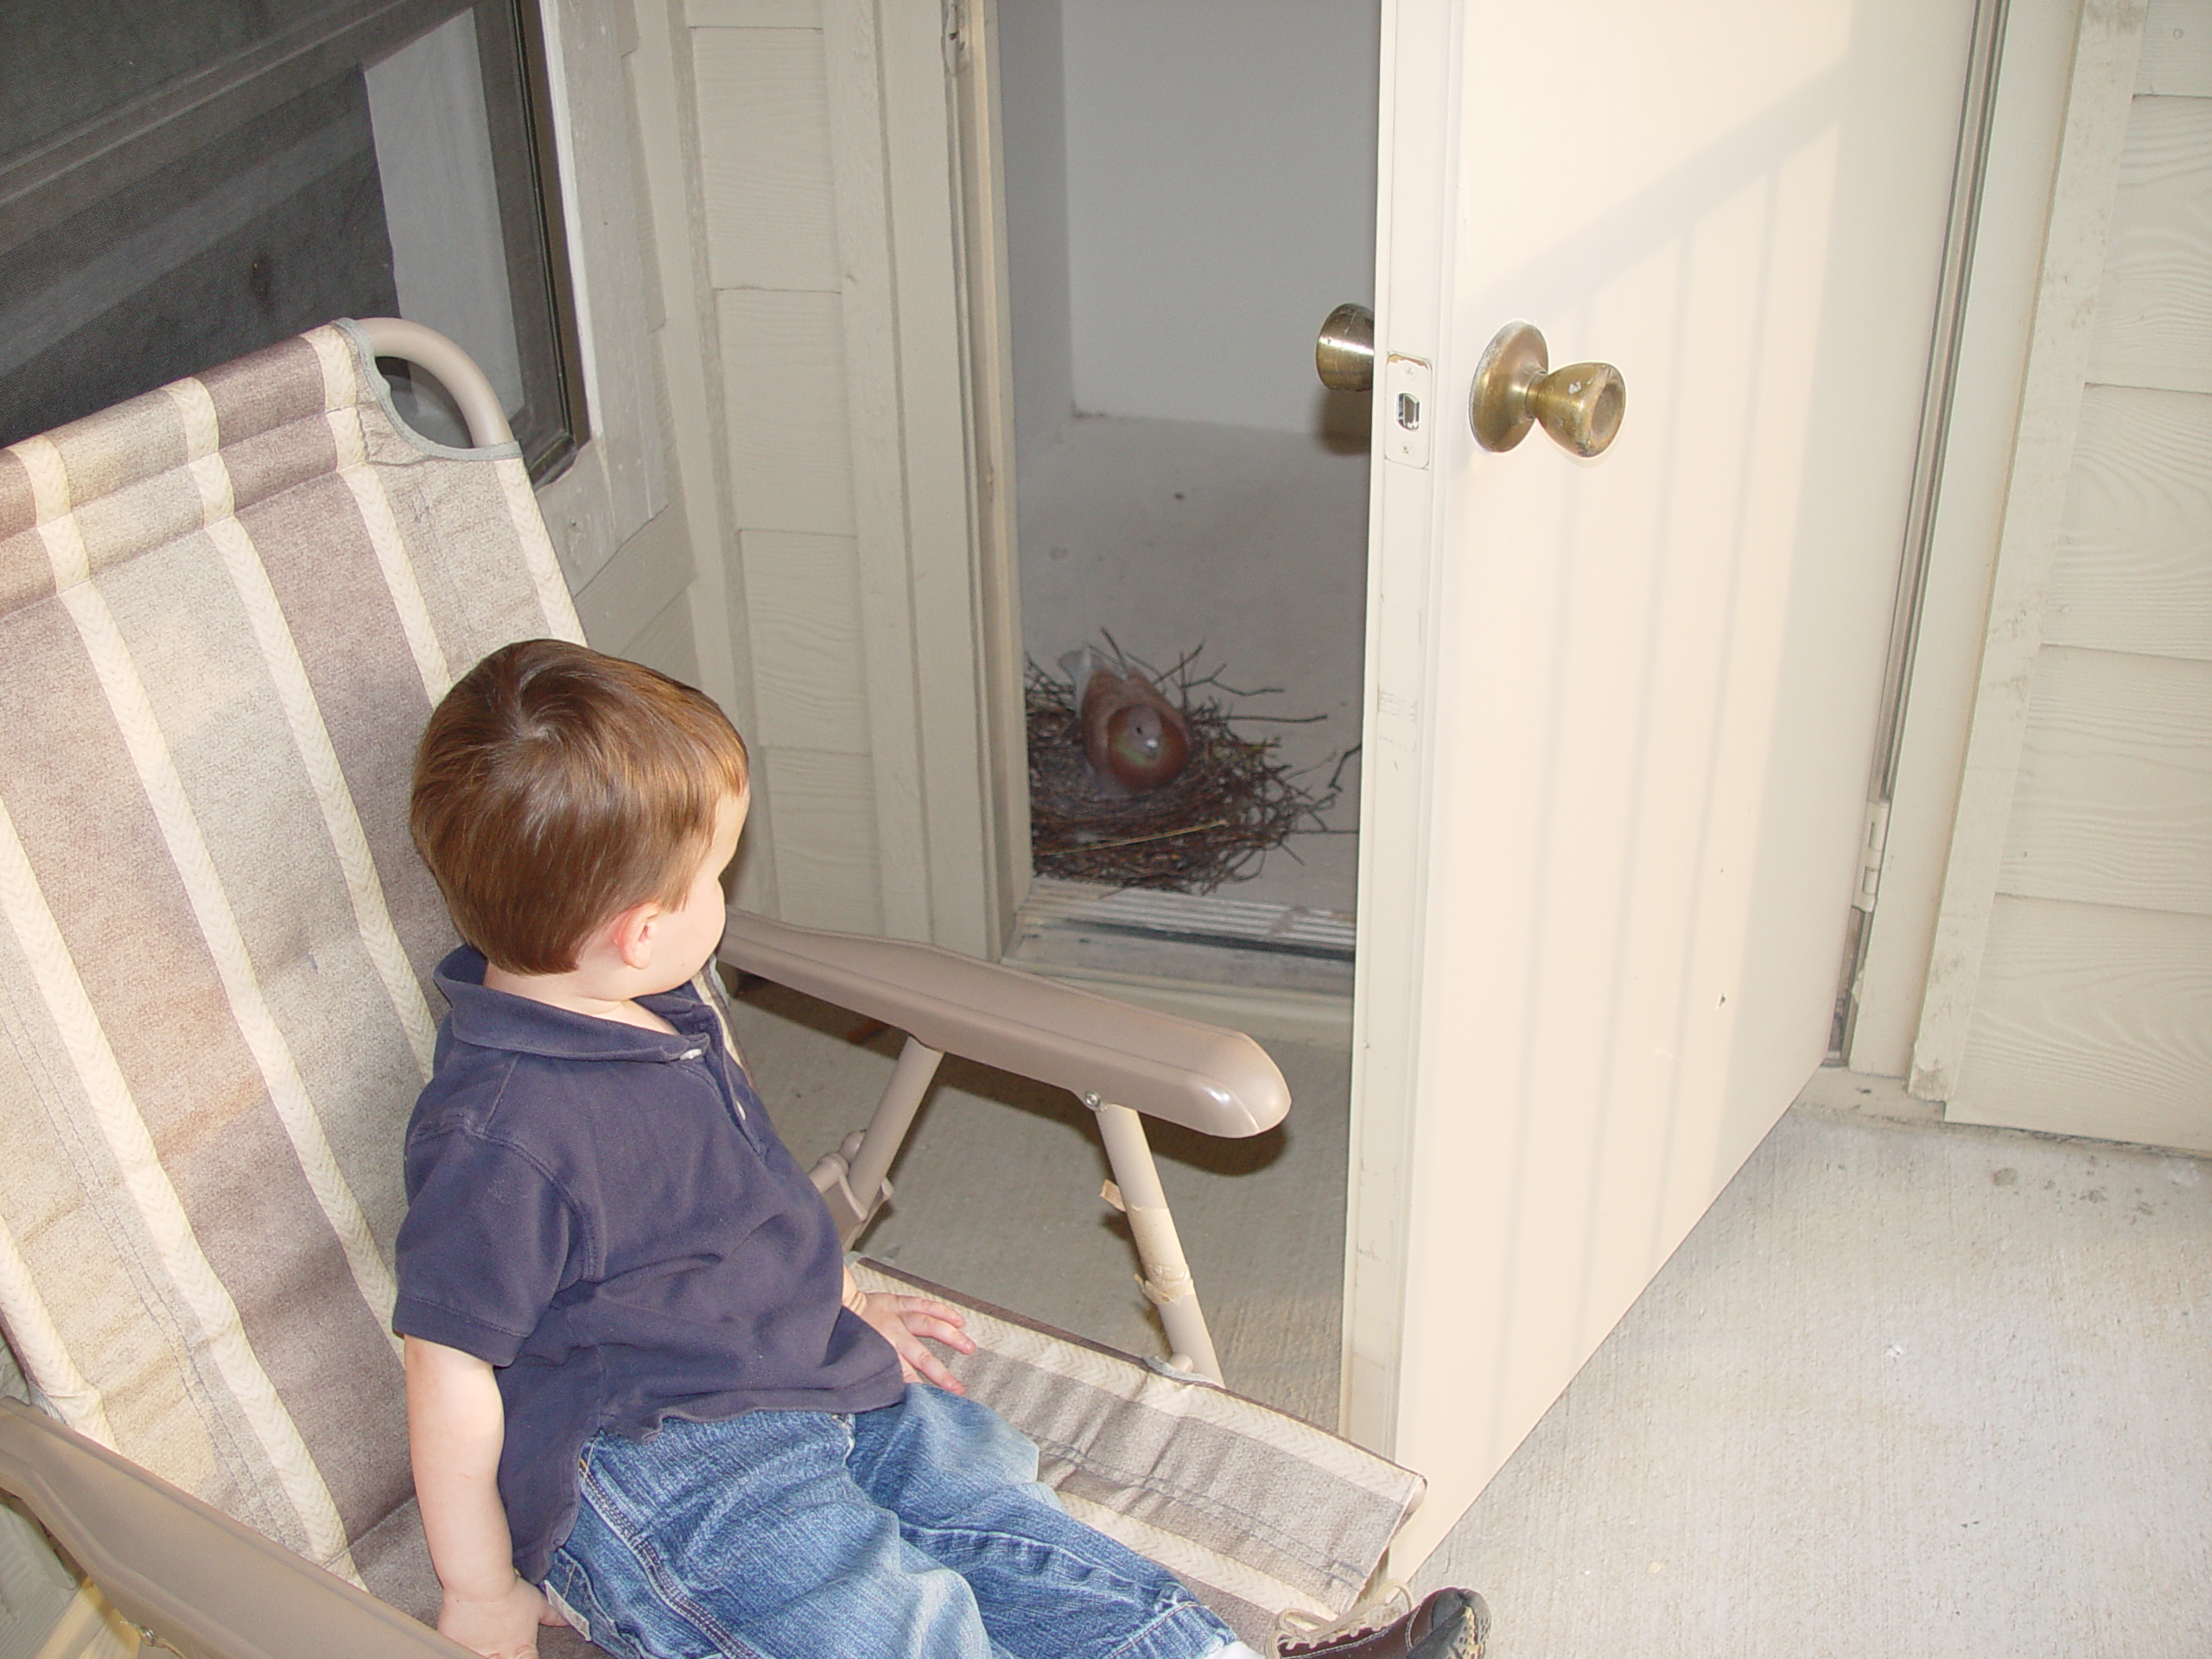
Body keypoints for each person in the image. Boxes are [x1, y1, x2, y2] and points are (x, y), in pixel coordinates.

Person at [393, 639, 1485, 1659]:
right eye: (715, 877)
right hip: (661, 1463)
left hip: (812, 1373)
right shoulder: (499, 1136)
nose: (726, 894)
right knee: (885, 1618)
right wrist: (479, 1586)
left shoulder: (650, 1005)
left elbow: (731, 1203)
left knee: (1009, 1526)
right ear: (640, 929)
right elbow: (447, 1367)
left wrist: (844, 1295)